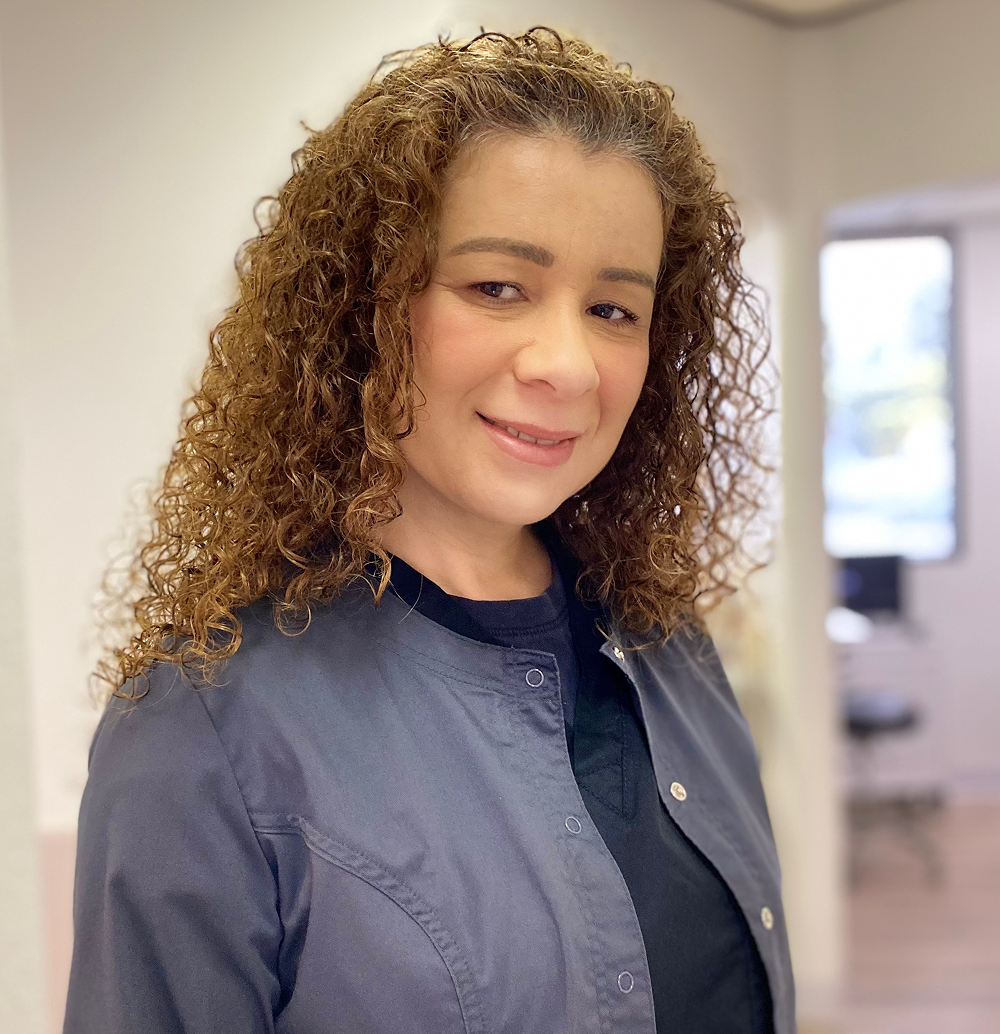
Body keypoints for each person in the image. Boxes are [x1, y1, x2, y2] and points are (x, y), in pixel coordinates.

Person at [64, 28, 791, 1034]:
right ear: (363, 309)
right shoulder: (206, 729)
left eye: (615, 307)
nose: (568, 364)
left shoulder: (668, 646)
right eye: (497, 287)